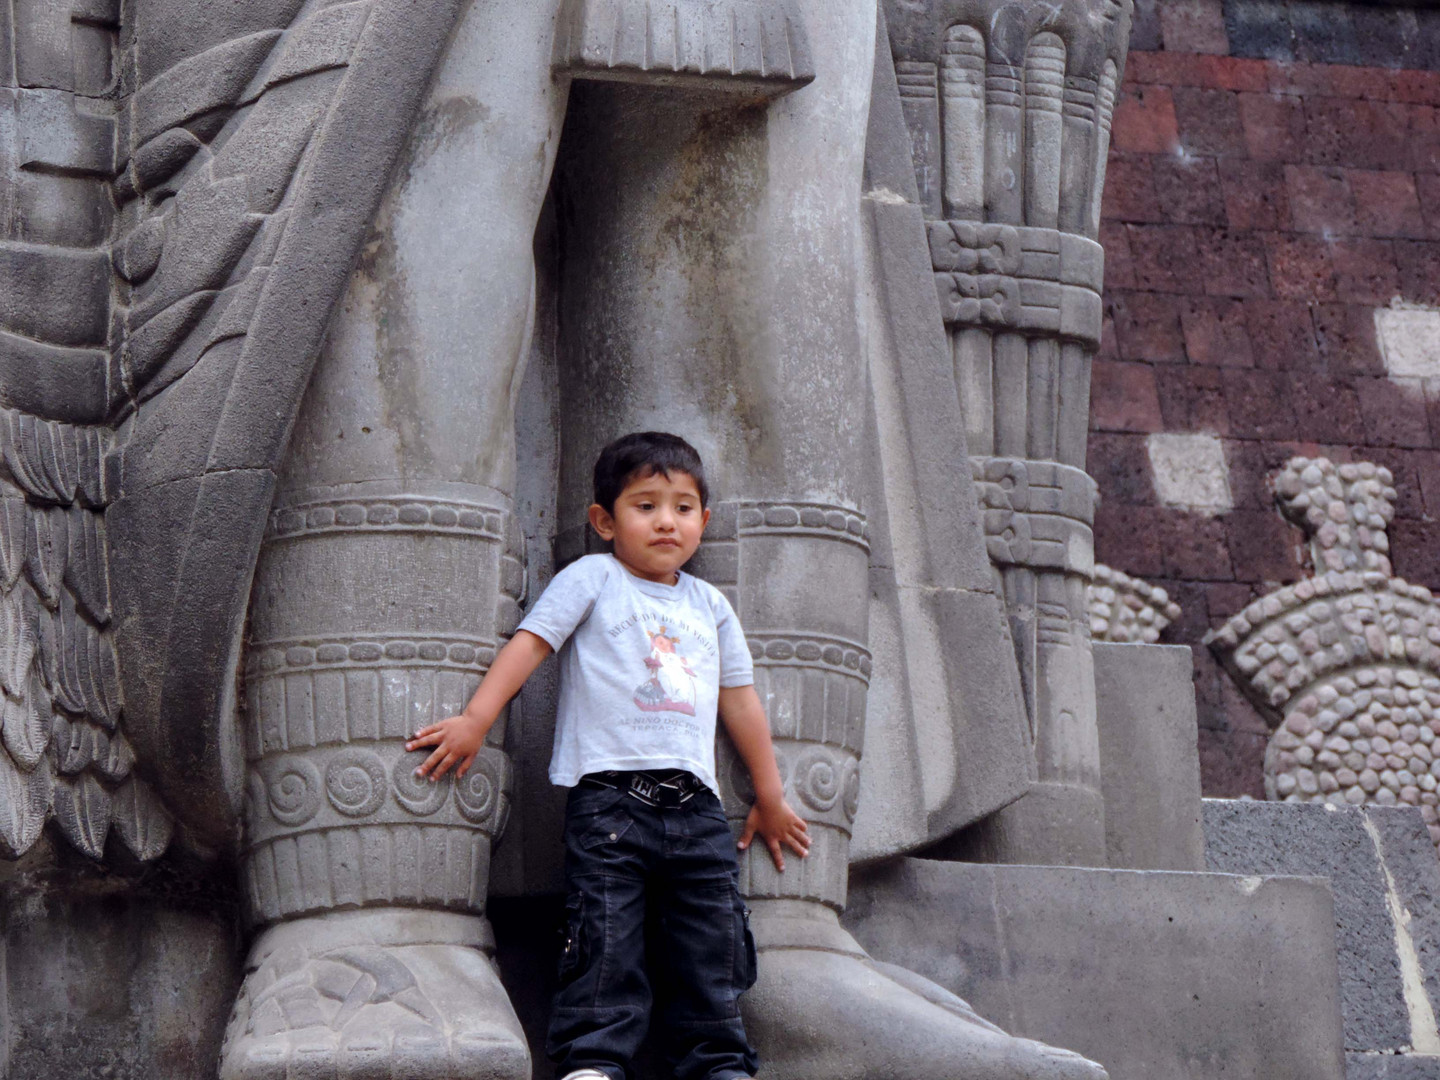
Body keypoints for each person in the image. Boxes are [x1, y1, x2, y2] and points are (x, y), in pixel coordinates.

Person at [405, 430, 810, 1080]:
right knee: (604, 939)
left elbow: (741, 703)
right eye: (644, 505)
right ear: (604, 520)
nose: (665, 521)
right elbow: (531, 645)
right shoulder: (593, 579)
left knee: (713, 945)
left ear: (704, 521)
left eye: (682, 507)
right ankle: (593, 1063)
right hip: (611, 806)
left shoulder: (710, 606)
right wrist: (476, 720)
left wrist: (769, 794)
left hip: (700, 813)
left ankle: (719, 1064)